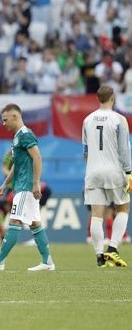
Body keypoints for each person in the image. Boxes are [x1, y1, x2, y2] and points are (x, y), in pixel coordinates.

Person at [0, 103, 55, 271]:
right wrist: (5, 183)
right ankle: (47, 262)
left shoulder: (25, 134)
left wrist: (35, 183)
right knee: (35, 223)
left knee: (14, 221)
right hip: (20, 185)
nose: (3, 123)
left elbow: (38, 158)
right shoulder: (17, 137)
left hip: (26, 186)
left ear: (15, 116)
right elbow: (17, 164)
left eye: (5, 120)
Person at [83, 85, 130, 267]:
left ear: (97, 99)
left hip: (93, 172)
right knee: (123, 208)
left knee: (96, 215)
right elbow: (124, 150)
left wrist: (92, 168)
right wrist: (129, 172)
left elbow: (85, 151)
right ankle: (113, 248)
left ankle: (99, 256)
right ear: (113, 98)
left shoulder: (87, 120)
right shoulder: (119, 119)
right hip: (114, 170)